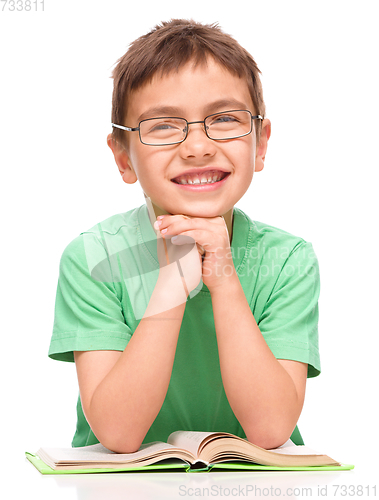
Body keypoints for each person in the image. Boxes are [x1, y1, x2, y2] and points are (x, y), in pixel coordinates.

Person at [48, 19, 321, 453]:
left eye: (225, 119)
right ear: (123, 158)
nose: (197, 147)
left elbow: (270, 430)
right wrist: (171, 286)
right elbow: (118, 435)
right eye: (162, 126)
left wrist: (225, 281)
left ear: (261, 144)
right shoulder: (94, 256)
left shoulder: (287, 259)